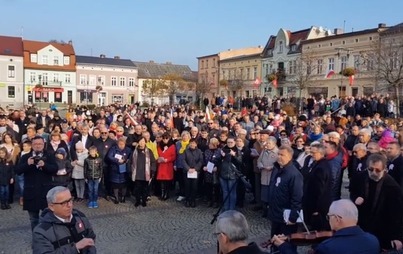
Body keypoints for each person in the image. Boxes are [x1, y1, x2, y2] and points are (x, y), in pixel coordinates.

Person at [272, 199, 380, 254]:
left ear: (337, 219)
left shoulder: (327, 248)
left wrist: (284, 247)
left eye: (329, 217)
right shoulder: (373, 241)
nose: (328, 220)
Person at [350, 153, 403, 251]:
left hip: (381, 226)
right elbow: (353, 190)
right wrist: (355, 198)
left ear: (384, 169)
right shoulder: (360, 177)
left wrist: (397, 236)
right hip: (361, 223)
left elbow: (397, 214)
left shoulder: (392, 187)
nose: (373, 173)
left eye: (377, 170)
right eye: (370, 169)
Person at [32, 186, 96, 254]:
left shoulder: (80, 217)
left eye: (70, 200)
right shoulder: (41, 232)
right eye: (64, 203)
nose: (69, 205)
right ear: (51, 206)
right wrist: (75, 248)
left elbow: (91, 238)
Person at [15, 136, 58, 231]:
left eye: (40, 144)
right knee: (33, 219)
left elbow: (55, 169)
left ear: (44, 144)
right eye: (35, 144)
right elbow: (17, 171)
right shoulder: (25, 157)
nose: (38, 146)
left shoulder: (49, 155)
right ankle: (36, 238)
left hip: (45, 191)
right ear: (32, 145)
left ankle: (49, 237)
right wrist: (27, 164)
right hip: (31, 191)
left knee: (48, 217)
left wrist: (45, 165)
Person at [268, 145, 303, 239]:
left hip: (286, 216)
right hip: (276, 214)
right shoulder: (277, 169)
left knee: (286, 244)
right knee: (274, 241)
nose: (279, 157)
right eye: (278, 154)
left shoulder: (294, 175)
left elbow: (297, 197)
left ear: (290, 157)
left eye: (282, 155)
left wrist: (293, 217)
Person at [130, 137, 156, 207]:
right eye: (140, 141)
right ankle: (138, 200)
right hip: (137, 173)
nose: (141, 143)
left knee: (145, 188)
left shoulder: (149, 151)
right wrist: (130, 170)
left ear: (145, 142)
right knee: (137, 188)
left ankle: (144, 200)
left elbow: (153, 162)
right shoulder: (134, 151)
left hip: (146, 173)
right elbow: (130, 161)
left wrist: (152, 170)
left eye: (143, 141)